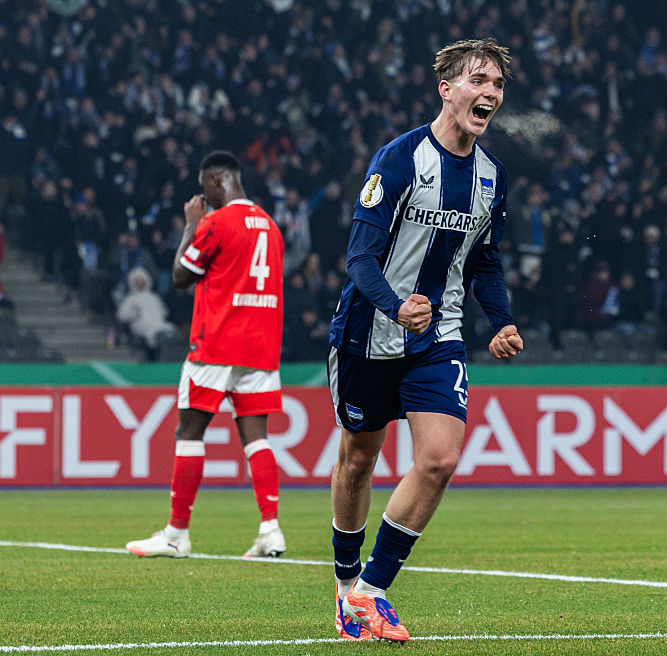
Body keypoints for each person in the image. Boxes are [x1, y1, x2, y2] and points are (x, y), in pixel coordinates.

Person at [327, 38, 522, 643]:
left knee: (439, 458)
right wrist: (393, 304)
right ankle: (344, 587)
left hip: (439, 334)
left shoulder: (491, 177)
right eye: (477, 80)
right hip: (369, 331)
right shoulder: (400, 159)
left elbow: (484, 260)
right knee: (359, 458)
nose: (488, 93)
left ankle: (372, 589)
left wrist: (503, 319)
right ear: (446, 87)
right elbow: (358, 257)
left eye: (496, 85)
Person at [126, 151, 287, 559]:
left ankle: (176, 534)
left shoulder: (216, 222)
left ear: (216, 181)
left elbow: (181, 276)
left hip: (216, 344)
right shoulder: (271, 226)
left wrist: (190, 226)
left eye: (205, 188)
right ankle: (271, 529)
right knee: (256, 439)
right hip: (261, 347)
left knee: (189, 433)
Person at [114, 267, 177, 361]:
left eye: (142, 281)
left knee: (171, 329)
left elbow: (164, 312)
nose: (140, 284)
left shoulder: (154, 297)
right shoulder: (130, 298)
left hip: (158, 323)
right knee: (151, 333)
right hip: (140, 325)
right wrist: (134, 314)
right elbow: (121, 316)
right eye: (137, 281)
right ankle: (153, 357)